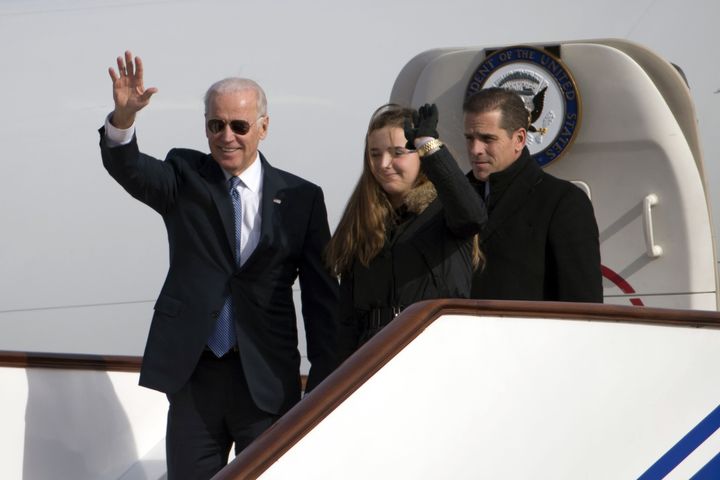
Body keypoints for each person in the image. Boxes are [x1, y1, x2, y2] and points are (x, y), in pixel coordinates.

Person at [99, 51, 339, 479]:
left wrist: (323, 385)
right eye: (216, 125)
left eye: (239, 126)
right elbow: (128, 167)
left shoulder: (302, 198)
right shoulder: (184, 176)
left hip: (266, 379)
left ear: (263, 128)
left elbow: (322, 301)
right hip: (195, 377)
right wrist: (123, 119)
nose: (226, 136)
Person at [326, 104, 487, 359]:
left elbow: (473, 216)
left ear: (420, 155)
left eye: (397, 152)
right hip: (372, 356)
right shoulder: (361, 221)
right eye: (375, 154)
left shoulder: (446, 210)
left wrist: (429, 145)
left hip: (436, 350)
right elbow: (346, 320)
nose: (384, 164)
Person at [463, 87, 603, 302]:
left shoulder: (562, 201)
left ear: (519, 139)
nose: (475, 149)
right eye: (469, 138)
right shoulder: (453, 198)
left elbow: (583, 305)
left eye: (487, 139)